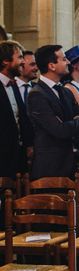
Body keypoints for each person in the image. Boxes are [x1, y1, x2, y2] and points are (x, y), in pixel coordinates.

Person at [28, 45, 79, 179]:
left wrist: (76, 122)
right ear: (52, 66)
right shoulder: (37, 94)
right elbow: (59, 130)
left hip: (71, 163)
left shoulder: (65, 92)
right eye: (64, 59)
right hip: (51, 167)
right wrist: (78, 120)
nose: (68, 62)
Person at [0, 40, 29, 176]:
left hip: (17, 158)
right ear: (6, 61)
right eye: (20, 57)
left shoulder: (14, 85)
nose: (23, 62)